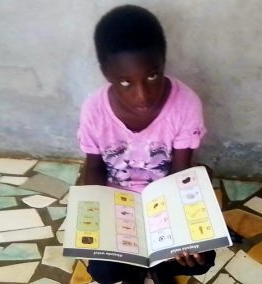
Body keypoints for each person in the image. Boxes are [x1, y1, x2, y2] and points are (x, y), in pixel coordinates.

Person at [77, 4, 216, 284]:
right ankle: (135, 270)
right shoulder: (94, 110)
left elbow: (179, 171)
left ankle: (162, 268)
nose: (142, 96)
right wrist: (98, 221)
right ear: (106, 73)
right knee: (104, 271)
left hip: (163, 201)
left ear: (163, 62)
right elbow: (93, 168)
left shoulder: (185, 104)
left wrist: (182, 235)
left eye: (152, 76)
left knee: (201, 259)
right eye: (126, 82)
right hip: (119, 203)